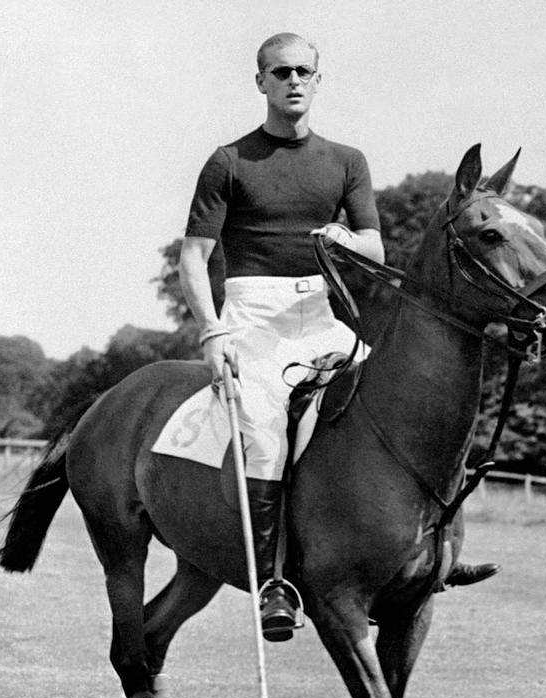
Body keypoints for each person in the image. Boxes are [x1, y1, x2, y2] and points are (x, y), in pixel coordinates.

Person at [179, 32, 498, 641]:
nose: (293, 80)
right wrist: (211, 331)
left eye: (304, 71)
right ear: (261, 82)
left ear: (318, 81)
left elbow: (373, 245)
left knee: (407, 402)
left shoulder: (346, 160)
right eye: (281, 72)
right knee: (267, 435)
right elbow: (193, 257)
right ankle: (277, 581)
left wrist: (342, 238)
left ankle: (436, 551)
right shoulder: (229, 161)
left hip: (321, 316)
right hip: (251, 318)